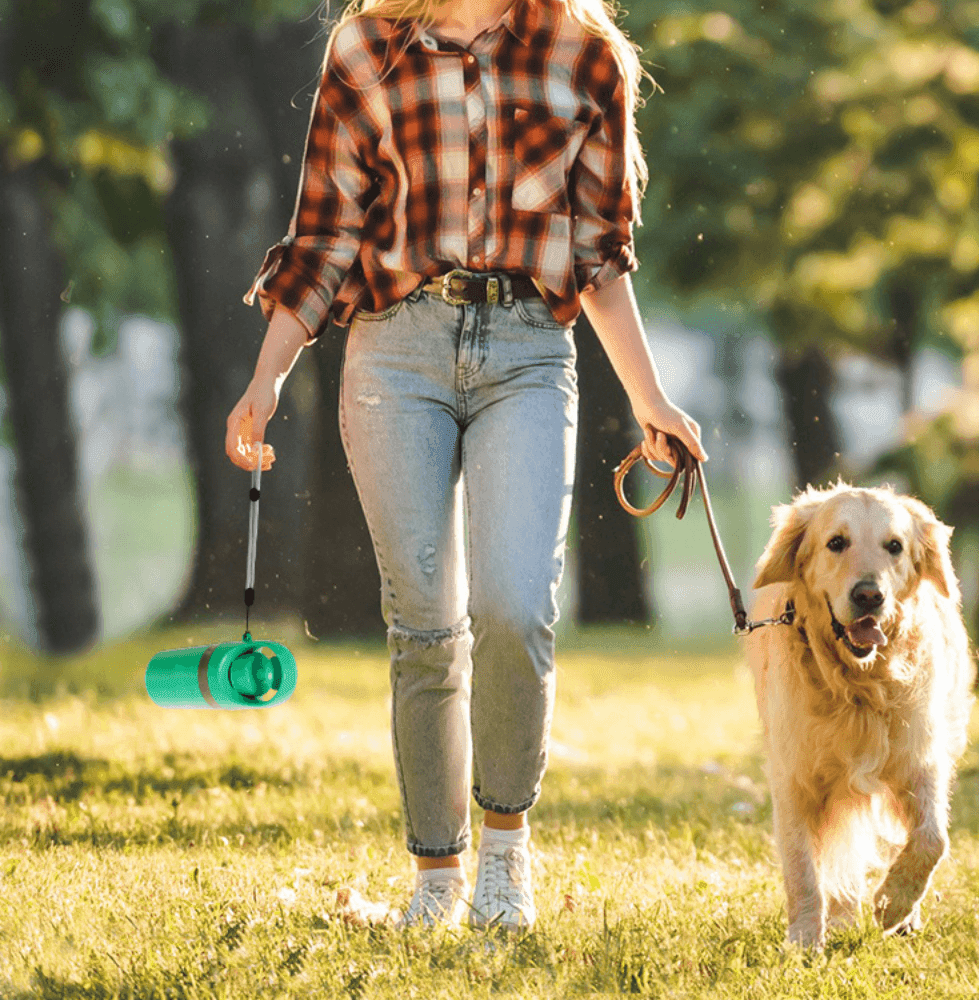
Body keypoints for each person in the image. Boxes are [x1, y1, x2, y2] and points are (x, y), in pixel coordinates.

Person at [225, 0, 708, 931]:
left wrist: (651, 400)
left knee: (516, 609)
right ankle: (437, 874)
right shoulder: (366, 49)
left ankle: (503, 854)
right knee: (426, 626)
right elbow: (326, 236)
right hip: (393, 355)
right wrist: (265, 378)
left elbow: (601, 255)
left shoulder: (584, 54)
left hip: (530, 351)